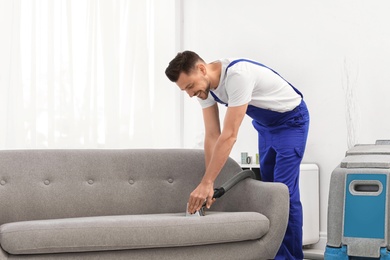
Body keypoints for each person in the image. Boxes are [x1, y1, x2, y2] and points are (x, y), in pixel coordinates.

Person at [165, 50, 309, 260]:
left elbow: (229, 135)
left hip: (291, 122)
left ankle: (290, 257)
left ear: (202, 69)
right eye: (184, 90)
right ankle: (274, 253)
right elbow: (212, 135)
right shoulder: (205, 89)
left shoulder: (238, 76)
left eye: (189, 87)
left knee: (284, 192)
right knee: (271, 192)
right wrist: (209, 183)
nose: (190, 94)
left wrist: (207, 182)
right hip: (266, 126)